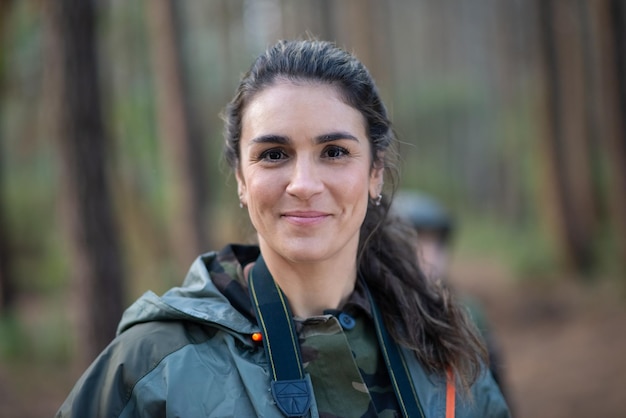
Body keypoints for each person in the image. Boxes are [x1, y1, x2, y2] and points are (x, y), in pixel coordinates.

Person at [56, 39, 510, 417]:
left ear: (375, 174)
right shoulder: (154, 366)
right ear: (241, 179)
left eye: (334, 152)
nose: (304, 185)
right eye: (274, 154)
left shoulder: (439, 348)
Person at [391, 190, 510, 402]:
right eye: (416, 241)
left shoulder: (467, 310)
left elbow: (495, 390)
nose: (430, 254)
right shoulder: (373, 312)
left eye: (435, 243)